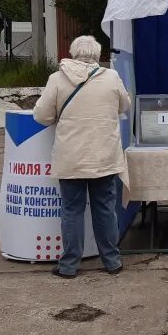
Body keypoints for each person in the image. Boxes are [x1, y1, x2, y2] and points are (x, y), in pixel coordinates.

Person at [33, 35, 131, 278]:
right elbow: (125, 105)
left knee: (72, 210)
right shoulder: (111, 77)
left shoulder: (57, 79)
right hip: (103, 157)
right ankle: (112, 261)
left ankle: (68, 266)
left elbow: (41, 116)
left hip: (71, 158)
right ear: (98, 56)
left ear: (73, 53)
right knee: (105, 209)